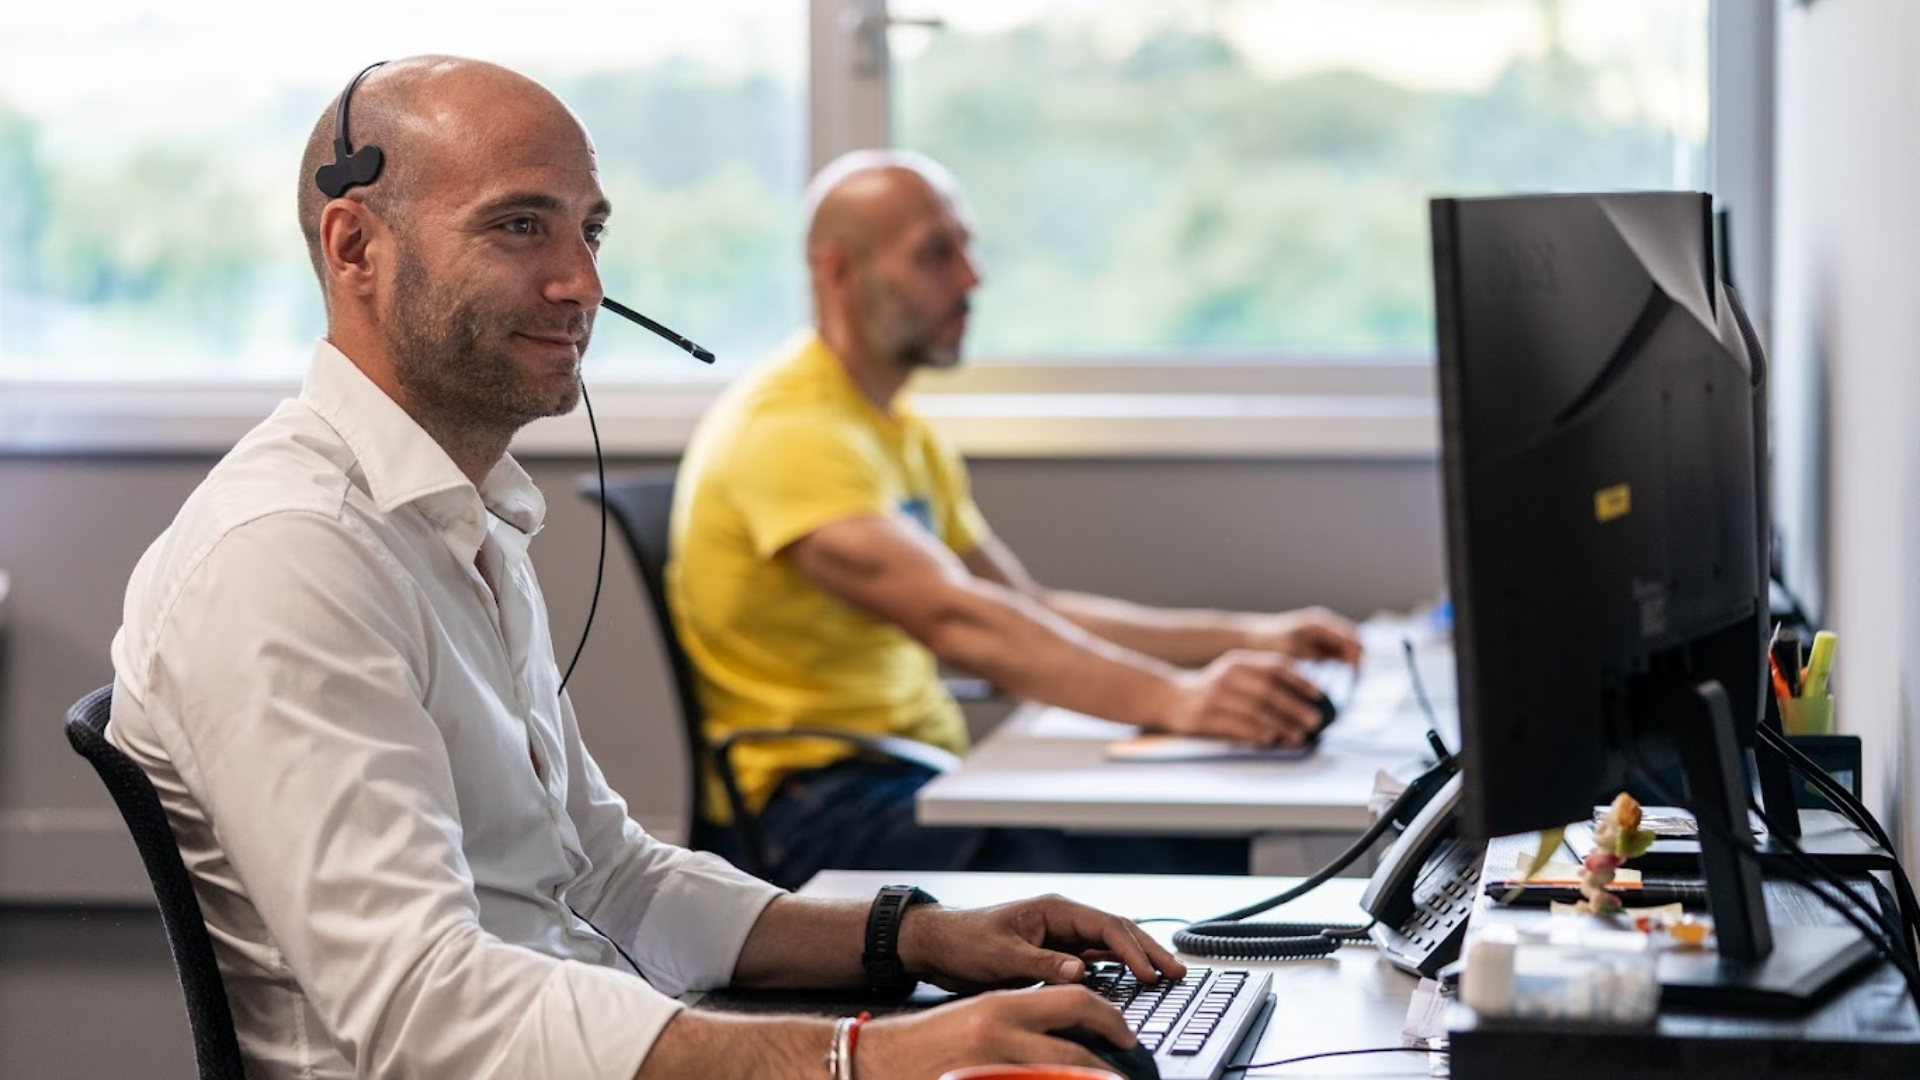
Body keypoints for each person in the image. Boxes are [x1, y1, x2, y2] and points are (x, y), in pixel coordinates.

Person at [106, 56, 1181, 1080]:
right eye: (519, 225)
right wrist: (872, 1057)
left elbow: (613, 875)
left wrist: (921, 936)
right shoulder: (287, 556)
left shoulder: (454, 520)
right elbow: (426, 1012)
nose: (581, 282)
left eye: (592, 230)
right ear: (354, 248)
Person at [671, 149, 1367, 889]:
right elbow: (961, 624)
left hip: (907, 778)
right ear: (839, 272)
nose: (973, 279)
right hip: (818, 812)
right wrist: (1178, 698)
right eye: (937, 254)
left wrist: (1240, 639)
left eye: (968, 249)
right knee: (1161, 859)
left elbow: (1022, 611)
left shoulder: (896, 429)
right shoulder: (789, 433)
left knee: (1180, 835)